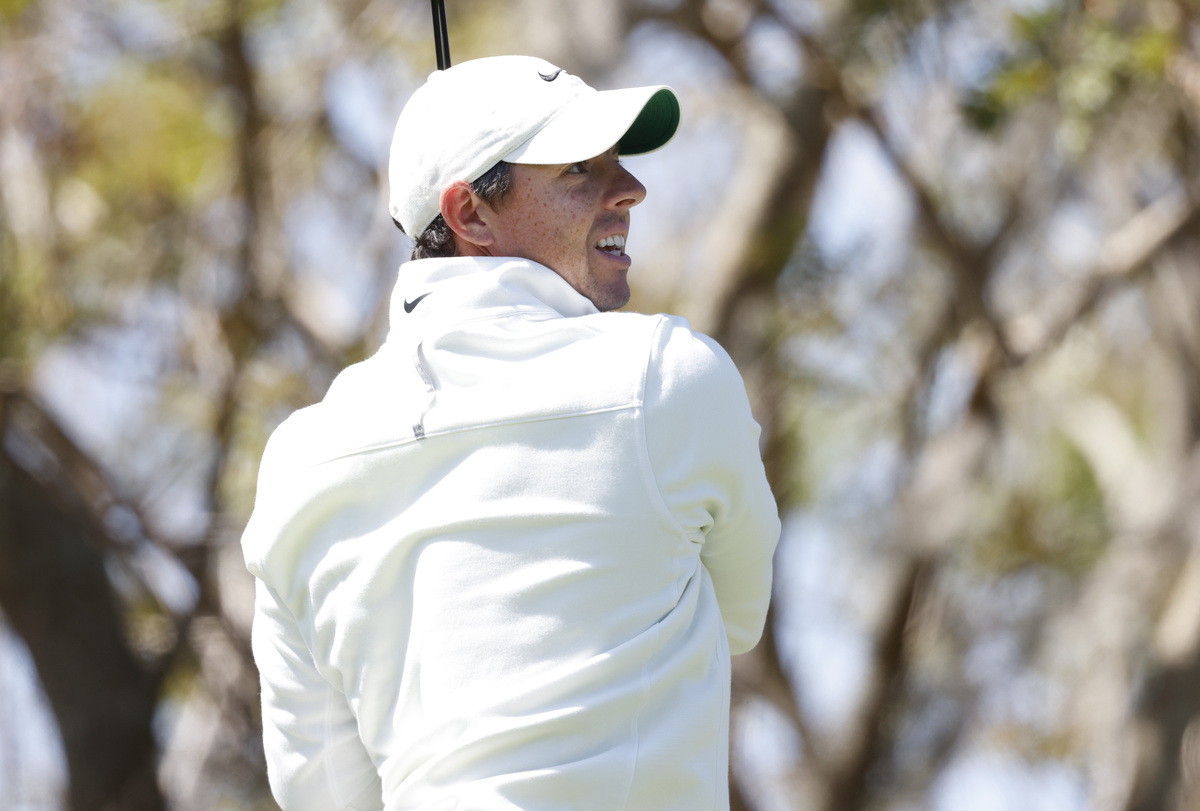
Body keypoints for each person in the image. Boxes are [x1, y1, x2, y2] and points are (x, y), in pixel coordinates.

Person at [241, 55, 781, 811]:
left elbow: (322, 792)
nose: (630, 188)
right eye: (580, 169)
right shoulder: (665, 378)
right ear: (469, 215)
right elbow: (739, 616)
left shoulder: (299, 462)